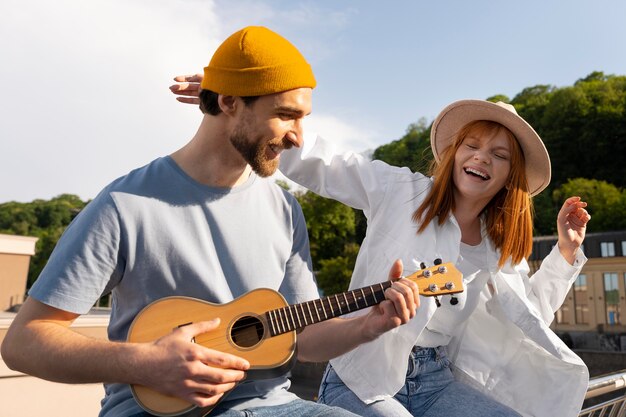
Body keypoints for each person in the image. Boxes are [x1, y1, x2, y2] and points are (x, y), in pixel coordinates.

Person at [0, 26, 421, 417]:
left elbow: (303, 337)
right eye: (286, 114)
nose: (297, 137)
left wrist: (369, 325)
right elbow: (24, 342)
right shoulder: (124, 205)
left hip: (271, 405)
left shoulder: (285, 210)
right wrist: (145, 362)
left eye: (302, 118)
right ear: (229, 102)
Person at [170, 79, 591, 417]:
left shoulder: (499, 247)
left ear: (509, 176)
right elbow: (325, 163)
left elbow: (531, 318)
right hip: (361, 374)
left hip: (437, 381)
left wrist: (567, 253)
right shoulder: (403, 191)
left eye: (499, 155)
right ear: (454, 152)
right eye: (472, 145)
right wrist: (246, 105)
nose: (481, 158)